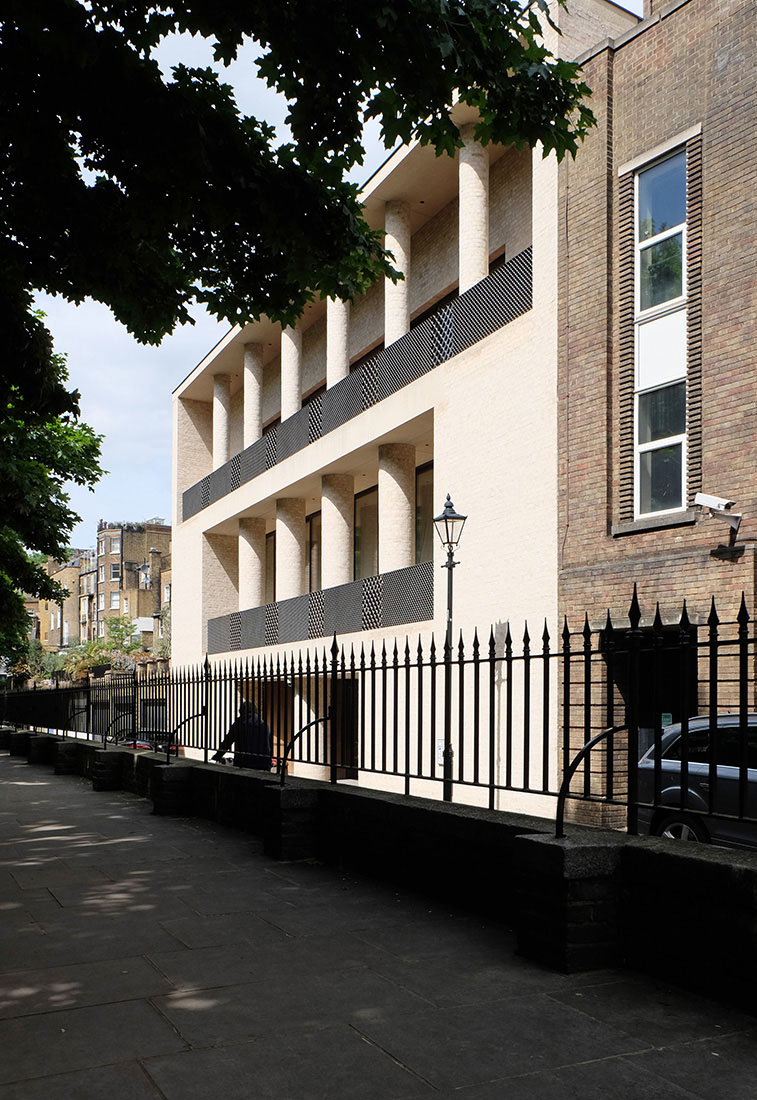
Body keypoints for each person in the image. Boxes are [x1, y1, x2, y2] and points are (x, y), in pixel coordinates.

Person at [212, 700, 273, 770]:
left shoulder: (238, 724)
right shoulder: (264, 725)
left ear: (241, 711)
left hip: (243, 764)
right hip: (263, 765)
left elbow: (227, 742)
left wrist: (217, 756)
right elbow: (270, 746)